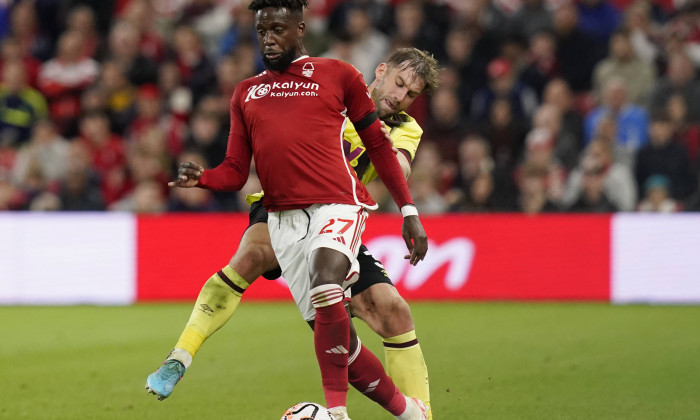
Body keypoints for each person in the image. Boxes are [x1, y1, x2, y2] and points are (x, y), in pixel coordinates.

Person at [147, 2, 430, 420]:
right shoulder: (320, 86)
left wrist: (407, 205)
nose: (400, 97)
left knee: (390, 309)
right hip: (282, 206)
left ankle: (418, 414)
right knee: (252, 255)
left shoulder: (401, 126)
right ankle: (179, 356)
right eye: (400, 84)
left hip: (337, 208)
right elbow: (250, 153)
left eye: (412, 94)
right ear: (382, 70)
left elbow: (394, 163)